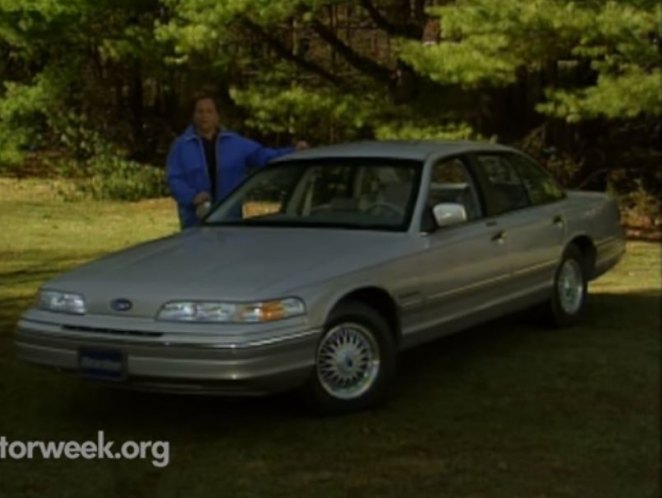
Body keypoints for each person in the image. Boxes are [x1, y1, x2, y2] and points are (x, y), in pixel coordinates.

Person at [166, 94, 306, 229]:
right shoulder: (180, 146)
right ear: (193, 116)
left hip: (230, 219)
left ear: (217, 116)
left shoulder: (235, 142)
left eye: (209, 111)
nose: (204, 116)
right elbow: (174, 179)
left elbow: (263, 155)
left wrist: (293, 151)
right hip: (195, 220)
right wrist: (192, 197)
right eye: (200, 112)